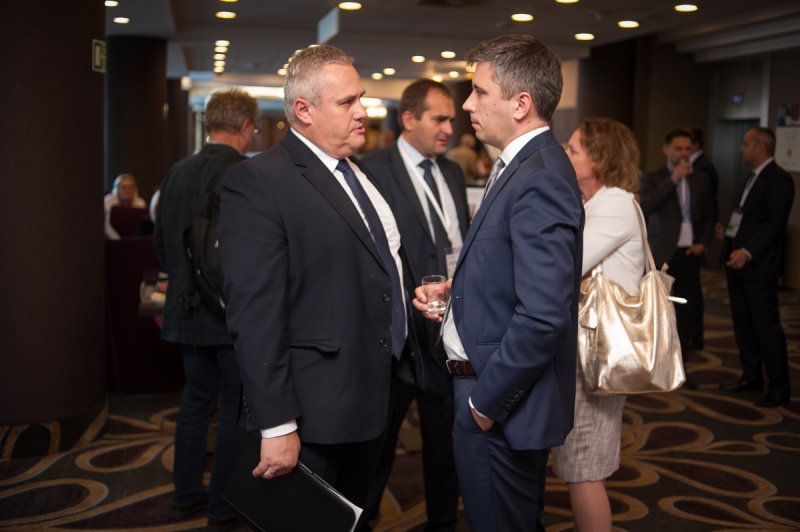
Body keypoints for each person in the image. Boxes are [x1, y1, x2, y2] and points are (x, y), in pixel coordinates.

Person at [217, 45, 406, 513]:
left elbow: (372, 266)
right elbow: (255, 314)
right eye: (347, 102)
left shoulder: (357, 172)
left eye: (361, 98)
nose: (363, 112)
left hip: (372, 394)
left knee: (355, 517)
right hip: (313, 412)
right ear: (303, 110)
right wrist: (277, 424)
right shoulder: (259, 181)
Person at [414, 34, 584, 531]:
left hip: (499, 401)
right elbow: (513, 268)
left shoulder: (539, 176)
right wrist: (458, 290)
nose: (468, 104)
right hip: (492, 393)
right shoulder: (521, 165)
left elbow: (545, 315)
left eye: (480, 92)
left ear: (521, 104)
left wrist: (484, 406)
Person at [360, 79, 469, 532]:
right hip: (398, 337)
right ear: (408, 119)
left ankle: (442, 524)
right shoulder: (371, 171)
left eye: (451, 120)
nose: (449, 129)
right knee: (377, 446)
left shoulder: (453, 172)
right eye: (439, 119)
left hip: (447, 332)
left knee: (446, 443)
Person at [154, 88, 259, 531]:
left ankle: (183, 498)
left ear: (208, 123)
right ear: (246, 126)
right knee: (233, 409)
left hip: (187, 310)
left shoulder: (175, 173)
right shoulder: (244, 173)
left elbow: (161, 243)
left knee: (195, 403)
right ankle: (222, 507)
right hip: (230, 314)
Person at [551, 118, 644, 532]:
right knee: (582, 462)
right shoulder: (594, 202)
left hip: (598, 351)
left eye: (574, 149)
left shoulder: (615, 203)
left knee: (584, 466)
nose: (566, 154)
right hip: (588, 347)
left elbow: (565, 266)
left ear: (600, 159)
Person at [719, 127, 795, 407]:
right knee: (744, 325)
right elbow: (745, 217)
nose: (741, 148)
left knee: (766, 328)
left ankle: (779, 387)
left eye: (746, 144)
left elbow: (775, 224)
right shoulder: (752, 177)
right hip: (738, 264)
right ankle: (751, 376)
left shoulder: (778, 178)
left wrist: (748, 251)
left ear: (760, 147)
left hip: (759, 267)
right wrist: (729, 237)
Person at [638, 128, 714, 383]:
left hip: (689, 252)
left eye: (687, 149)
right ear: (666, 150)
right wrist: (673, 180)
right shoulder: (653, 177)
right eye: (678, 148)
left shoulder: (700, 179)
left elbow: (708, 214)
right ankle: (656, 364)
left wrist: (704, 243)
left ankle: (681, 367)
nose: (683, 153)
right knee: (658, 310)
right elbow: (647, 205)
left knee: (686, 311)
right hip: (663, 253)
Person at [104, 173, 146, 239]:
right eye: (124, 187)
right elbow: (106, 225)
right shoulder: (108, 201)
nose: (127, 191)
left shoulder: (140, 203)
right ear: (117, 189)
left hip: (134, 240)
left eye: (131, 187)